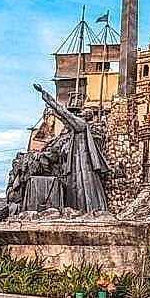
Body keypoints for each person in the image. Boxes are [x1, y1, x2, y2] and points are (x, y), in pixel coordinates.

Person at [34, 84, 109, 212]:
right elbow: (64, 117)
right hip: (77, 158)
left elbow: (65, 114)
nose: (76, 114)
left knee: (84, 185)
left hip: (82, 160)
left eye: (77, 113)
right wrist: (54, 111)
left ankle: (87, 209)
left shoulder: (80, 124)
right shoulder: (78, 126)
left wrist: (46, 96)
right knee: (78, 185)